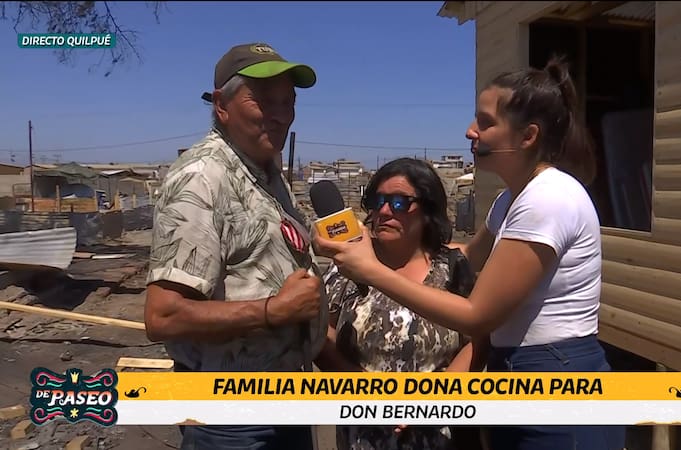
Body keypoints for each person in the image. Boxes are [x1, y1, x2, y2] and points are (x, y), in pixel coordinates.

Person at [313, 55, 626, 450]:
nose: (470, 131)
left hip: (554, 373)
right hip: (520, 369)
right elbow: (469, 254)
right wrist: (374, 242)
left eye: (485, 122)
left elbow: (478, 315)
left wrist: (371, 270)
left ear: (527, 136)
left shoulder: (548, 200)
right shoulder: (510, 200)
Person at [144, 42, 327, 450]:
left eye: (288, 101)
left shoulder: (265, 170)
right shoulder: (201, 178)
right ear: (222, 106)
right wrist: (273, 311)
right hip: (230, 417)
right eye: (262, 100)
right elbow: (162, 316)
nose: (281, 115)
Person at [314, 157, 486, 450]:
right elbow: (321, 337)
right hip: (364, 433)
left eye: (399, 203)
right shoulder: (346, 269)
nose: (383, 211)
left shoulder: (453, 269)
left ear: (427, 210)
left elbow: (479, 339)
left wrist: (436, 397)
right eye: (378, 200)